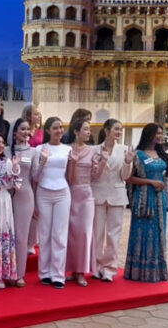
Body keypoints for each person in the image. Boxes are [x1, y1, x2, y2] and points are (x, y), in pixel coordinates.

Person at [125, 122, 168, 283]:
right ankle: (138, 271)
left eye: (162, 134)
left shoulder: (163, 155)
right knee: (143, 233)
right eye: (157, 133)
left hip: (160, 199)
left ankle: (156, 272)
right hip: (143, 199)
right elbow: (129, 178)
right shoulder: (138, 154)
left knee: (159, 233)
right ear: (149, 134)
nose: (160, 136)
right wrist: (150, 182)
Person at [92, 118, 135, 282]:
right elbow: (93, 174)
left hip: (117, 195)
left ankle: (110, 268)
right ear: (107, 130)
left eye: (120, 129)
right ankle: (96, 266)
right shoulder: (95, 149)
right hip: (98, 194)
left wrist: (128, 162)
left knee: (114, 234)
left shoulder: (125, 150)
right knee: (97, 233)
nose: (119, 132)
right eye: (116, 129)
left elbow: (125, 176)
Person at [33, 116, 72, 288]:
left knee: (59, 235)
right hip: (43, 192)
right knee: (45, 234)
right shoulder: (39, 149)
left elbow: (70, 176)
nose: (59, 131)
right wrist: (43, 162)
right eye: (55, 128)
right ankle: (45, 273)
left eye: (61, 127)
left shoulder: (67, 149)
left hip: (63, 193)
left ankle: (58, 274)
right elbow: (35, 176)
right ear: (48, 130)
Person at [67, 117, 103, 285]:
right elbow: (68, 177)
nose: (88, 132)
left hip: (86, 194)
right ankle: (73, 270)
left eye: (89, 129)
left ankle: (82, 271)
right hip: (69, 193)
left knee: (84, 232)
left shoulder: (93, 151)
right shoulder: (67, 150)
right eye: (85, 129)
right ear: (76, 131)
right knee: (71, 234)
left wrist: (103, 162)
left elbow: (96, 177)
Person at [0, 131, 22, 288]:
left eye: (2, 142)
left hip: (3, 199)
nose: (1, 145)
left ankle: (3, 274)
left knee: (3, 234)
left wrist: (15, 169)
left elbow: (16, 184)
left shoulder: (7, 162)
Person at [9, 119, 39, 283]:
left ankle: (19, 274)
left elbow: (35, 177)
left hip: (25, 196)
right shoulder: (6, 150)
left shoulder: (33, 152)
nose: (26, 132)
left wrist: (43, 163)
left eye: (28, 129)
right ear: (14, 132)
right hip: (6, 196)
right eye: (22, 129)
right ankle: (5, 271)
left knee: (21, 236)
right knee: (6, 234)